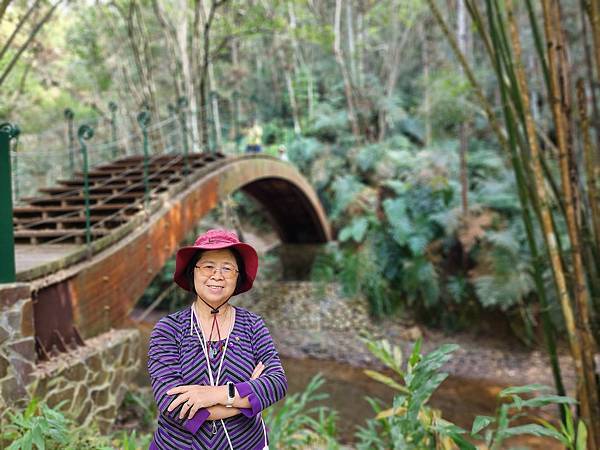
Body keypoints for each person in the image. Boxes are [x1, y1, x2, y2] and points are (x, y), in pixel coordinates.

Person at [148, 229, 287, 449]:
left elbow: (276, 383)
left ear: (237, 276)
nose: (217, 275)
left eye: (227, 268)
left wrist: (217, 394)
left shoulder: (252, 325)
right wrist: (249, 394)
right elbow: (174, 406)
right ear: (192, 272)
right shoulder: (168, 330)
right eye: (208, 266)